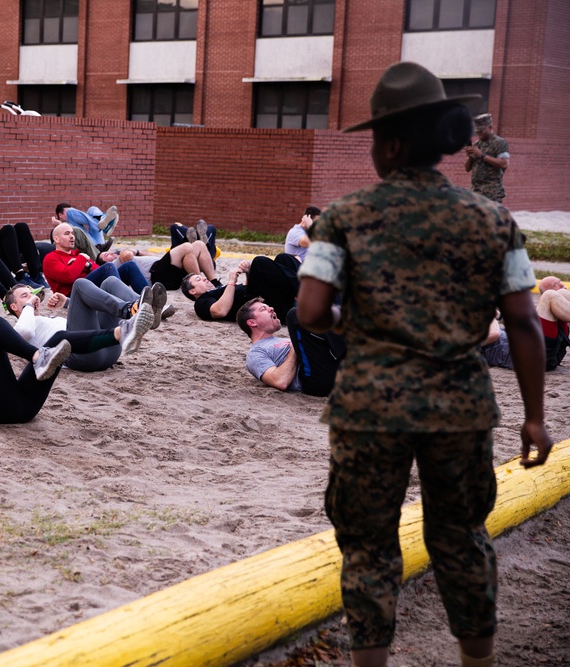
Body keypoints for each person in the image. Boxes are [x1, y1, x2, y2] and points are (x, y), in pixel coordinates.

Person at [294, 62, 551, 667]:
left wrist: (349, 324)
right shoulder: (492, 221)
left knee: (369, 547)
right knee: (462, 539)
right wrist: (534, 417)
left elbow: (309, 310)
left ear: (390, 142)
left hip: (369, 407)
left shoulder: (344, 216)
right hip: (460, 406)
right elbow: (523, 324)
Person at [3, 280, 157, 372]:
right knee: (79, 284)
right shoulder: (19, 326)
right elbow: (24, 331)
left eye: (31, 294)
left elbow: (88, 321)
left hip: (108, 351)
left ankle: (145, 309)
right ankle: (130, 310)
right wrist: (29, 306)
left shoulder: (44, 319)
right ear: (14, 307)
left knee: (109, 282)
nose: (32, 297)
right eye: (25, 296)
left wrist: (67, 304)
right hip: (83, 357)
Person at [237, 298, 344, 397]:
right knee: (295, 315)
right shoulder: (255, 353)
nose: (271, 308)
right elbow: (280, 381)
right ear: (252, 322)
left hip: (333, 367)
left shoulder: (286, 339)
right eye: (263, 309)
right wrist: (294, 348)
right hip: (314, 381)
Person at [482, 277, 570, 372]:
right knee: (549, 295)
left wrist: (498, 315)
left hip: (548, 352)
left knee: (562, 293)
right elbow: (494, 334)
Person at [182, 255, 300, 324]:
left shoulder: (219, 288)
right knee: (259, 262)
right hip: (264, 306)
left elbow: (247, 289)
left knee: (283, 258)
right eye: (198, 279)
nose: (204, 279)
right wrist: (232, 281)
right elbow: (220, 311)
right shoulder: (202, 302)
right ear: (192, 291)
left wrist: (248, 273)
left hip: (267, 297)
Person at [43, 223, 148, 298]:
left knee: (129, 266)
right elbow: (69, 277)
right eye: (67, 234)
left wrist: (87, 265)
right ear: (56, 239)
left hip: (93, 287)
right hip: (75, 294)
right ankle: (134, 301)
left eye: (72, 233)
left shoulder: (77, 254)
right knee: (109, 267)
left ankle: (150, 299)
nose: (72, 236)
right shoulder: (51, 258)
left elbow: (99, 270)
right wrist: (81, 259)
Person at [464, 113, 510, 203]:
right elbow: (467, 168)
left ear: (490, 127)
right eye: (477, 132)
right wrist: (470, 157)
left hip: (492, 192)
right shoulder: (477, 145)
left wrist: (482, 155)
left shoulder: (500, 143)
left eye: (482, 131)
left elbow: (504, 164)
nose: (479, 134)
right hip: (475, 192)